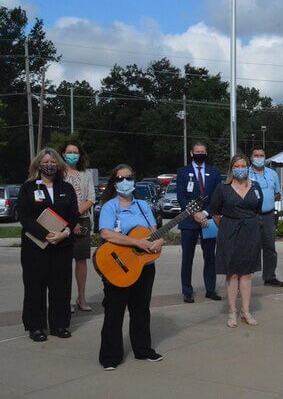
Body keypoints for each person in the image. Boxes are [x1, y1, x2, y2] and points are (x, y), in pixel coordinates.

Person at [98, 164, 164, 369]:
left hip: (143, 266)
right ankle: (110, 356)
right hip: (118, 264)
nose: (125, 182)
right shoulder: (110, 206)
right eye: (120, 178)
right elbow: (106, 233)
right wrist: (136, 242)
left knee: (141, 310)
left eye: (128, 177)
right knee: (114, 311)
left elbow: (154, 231)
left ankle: (143, 350)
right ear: (115, 183)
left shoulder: (143, 206)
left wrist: (158, 241)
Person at [17, 148, 79, 342]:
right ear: (38, 165)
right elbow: (24, 216)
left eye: (53, 162)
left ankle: (59, 324)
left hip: (62, 246)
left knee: (60, 287)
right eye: (45, 162)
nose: (49, 165)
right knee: (35, 287)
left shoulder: (66, 188)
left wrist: (64, 233)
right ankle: (36, 326)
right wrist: (45, 234)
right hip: (35, 247)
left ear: (58, 165)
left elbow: (74, 216)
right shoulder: (28, 188)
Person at [210, 155, 263, 328]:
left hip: (251, 232)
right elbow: (215, 212)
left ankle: (245, 311)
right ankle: (232, 311)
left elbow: (257, 209)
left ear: (248, 167)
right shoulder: (223, 188)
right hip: (229, 232)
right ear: (232, 169)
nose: (240, 168)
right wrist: (226, 227)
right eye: (237, 165)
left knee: (247, 273)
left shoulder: (255, 187)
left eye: (243, 165)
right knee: (232, 273)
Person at [176, 141, 222, 303]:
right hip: (189, 221)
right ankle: (187, 291)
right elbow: (181, 197)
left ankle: (210, 289)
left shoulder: (214, 173)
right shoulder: (182, 172)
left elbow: (217, 197)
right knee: (187, 258)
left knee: (210, 257)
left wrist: (204, 213)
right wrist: (195, 213)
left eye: (202, 151)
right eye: (197, 151)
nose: (200, 153)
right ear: (191, 153)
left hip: (207, 221)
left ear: (206, 153)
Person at [61, 140, 96, 312]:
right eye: (69, 152)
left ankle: (81, 298)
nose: (72, 155)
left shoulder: (86, 174)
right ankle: (64, 299)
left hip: (81, 220)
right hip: (61, 221)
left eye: (76, 152)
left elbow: (91, 198)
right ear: (63, 154)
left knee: (81, 261)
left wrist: (74, 217)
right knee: (63, 262)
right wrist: (68, 220)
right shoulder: (58, 173)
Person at [249, 147, 283, 287]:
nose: (259, 158)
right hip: (251, 216)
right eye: (256, 155)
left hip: (269, 215)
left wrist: (268, 198)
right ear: (251, 158)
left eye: (261, 155)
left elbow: (278, 193)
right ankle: (244, 278)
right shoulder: (245, 173)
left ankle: (269, 277)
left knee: (270, 248)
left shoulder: (272, 174)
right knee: (249, 248)